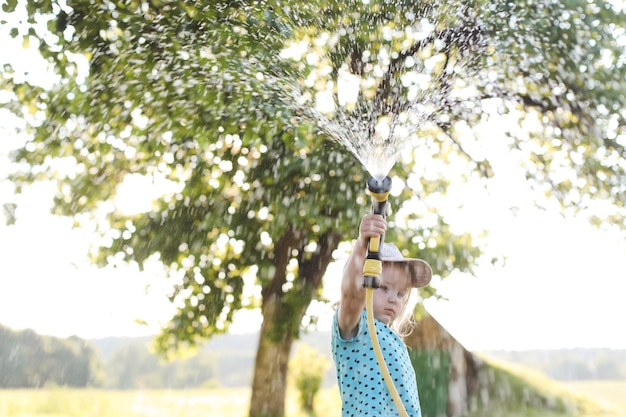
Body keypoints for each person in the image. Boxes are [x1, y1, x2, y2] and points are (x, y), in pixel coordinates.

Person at [332, 213, 432, 417]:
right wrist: (362, 244)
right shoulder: (356, 327)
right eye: (384, 288)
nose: (394, 299)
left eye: (401, 293)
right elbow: (351, 295)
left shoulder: (394, 342)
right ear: (364, 283)